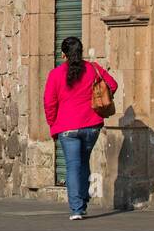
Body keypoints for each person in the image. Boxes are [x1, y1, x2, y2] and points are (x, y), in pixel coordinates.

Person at [44, 36, 118, 221]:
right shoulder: (93, 68)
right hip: (91, 125)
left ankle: (77, 208)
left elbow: (49, 103)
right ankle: (82, 200)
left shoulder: (55, 74)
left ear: (63, 54)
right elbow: (113, 85)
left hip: (67, 128)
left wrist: (53, 125)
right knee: (83, 162)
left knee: (73, 166)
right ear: (81, 51)